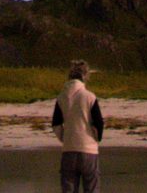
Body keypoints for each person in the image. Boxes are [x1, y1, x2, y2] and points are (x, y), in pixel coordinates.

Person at [52, 59, 104, 193]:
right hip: (88, 150)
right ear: (85, 76)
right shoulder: (89, 96)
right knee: (92, 188)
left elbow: (56, 124)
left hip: (69, 150)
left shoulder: (62, 97)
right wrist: (96, 138)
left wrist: (65, 138)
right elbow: (99, 123)